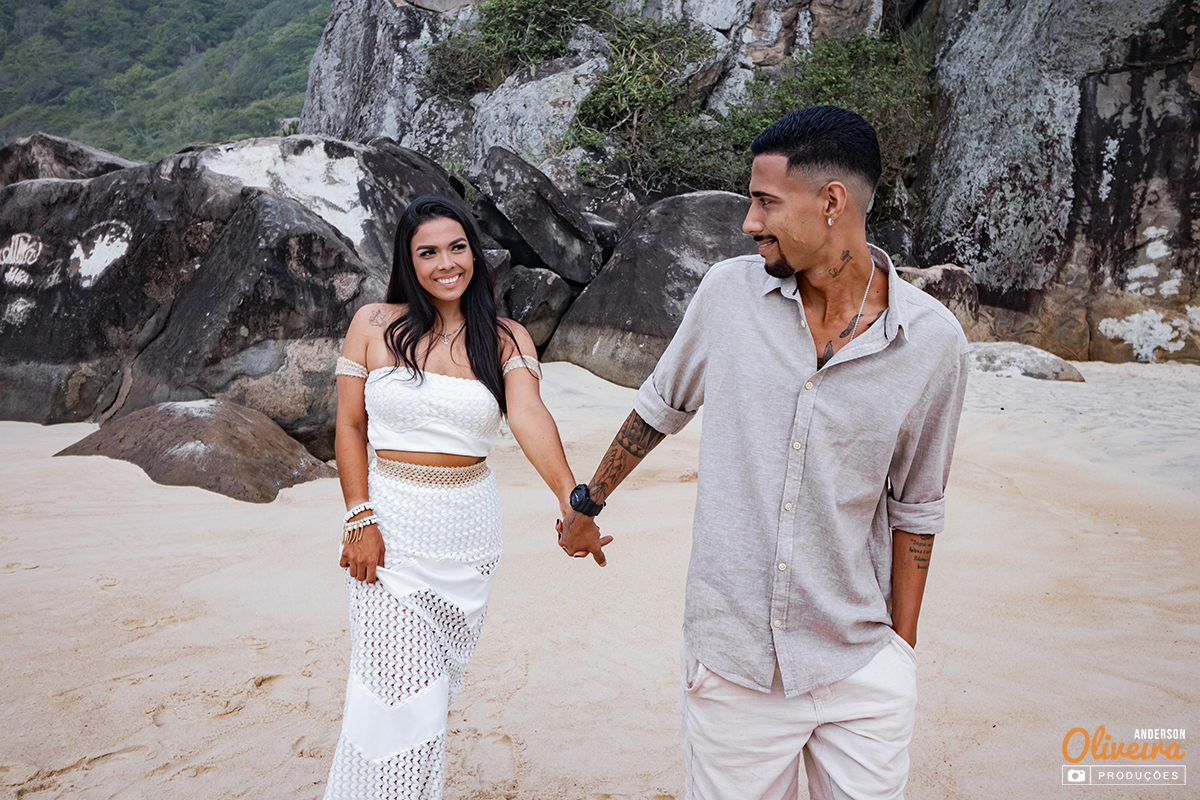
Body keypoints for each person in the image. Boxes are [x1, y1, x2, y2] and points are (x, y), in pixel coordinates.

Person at [558, 106, 970, 799]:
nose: (750, 222)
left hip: (859, 665)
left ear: (832, 202)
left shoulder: (932, 343)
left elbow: (917, 507)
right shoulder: (728, 294)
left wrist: (900, 654)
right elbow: (659, 408)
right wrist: (586, 503)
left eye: (765, 202)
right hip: (735, 665)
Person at [324, 194, 597, 798]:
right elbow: (350, 425)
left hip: (467, 539)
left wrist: (571, 499)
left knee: (428, 701)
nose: (446, 263)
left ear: (474, 253)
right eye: (428, 252)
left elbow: (528, 414)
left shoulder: (504, 338)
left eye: (457, 247)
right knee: (394, 699)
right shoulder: (373, 324)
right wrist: (358, 516)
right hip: (389, 533)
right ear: (408, 260)